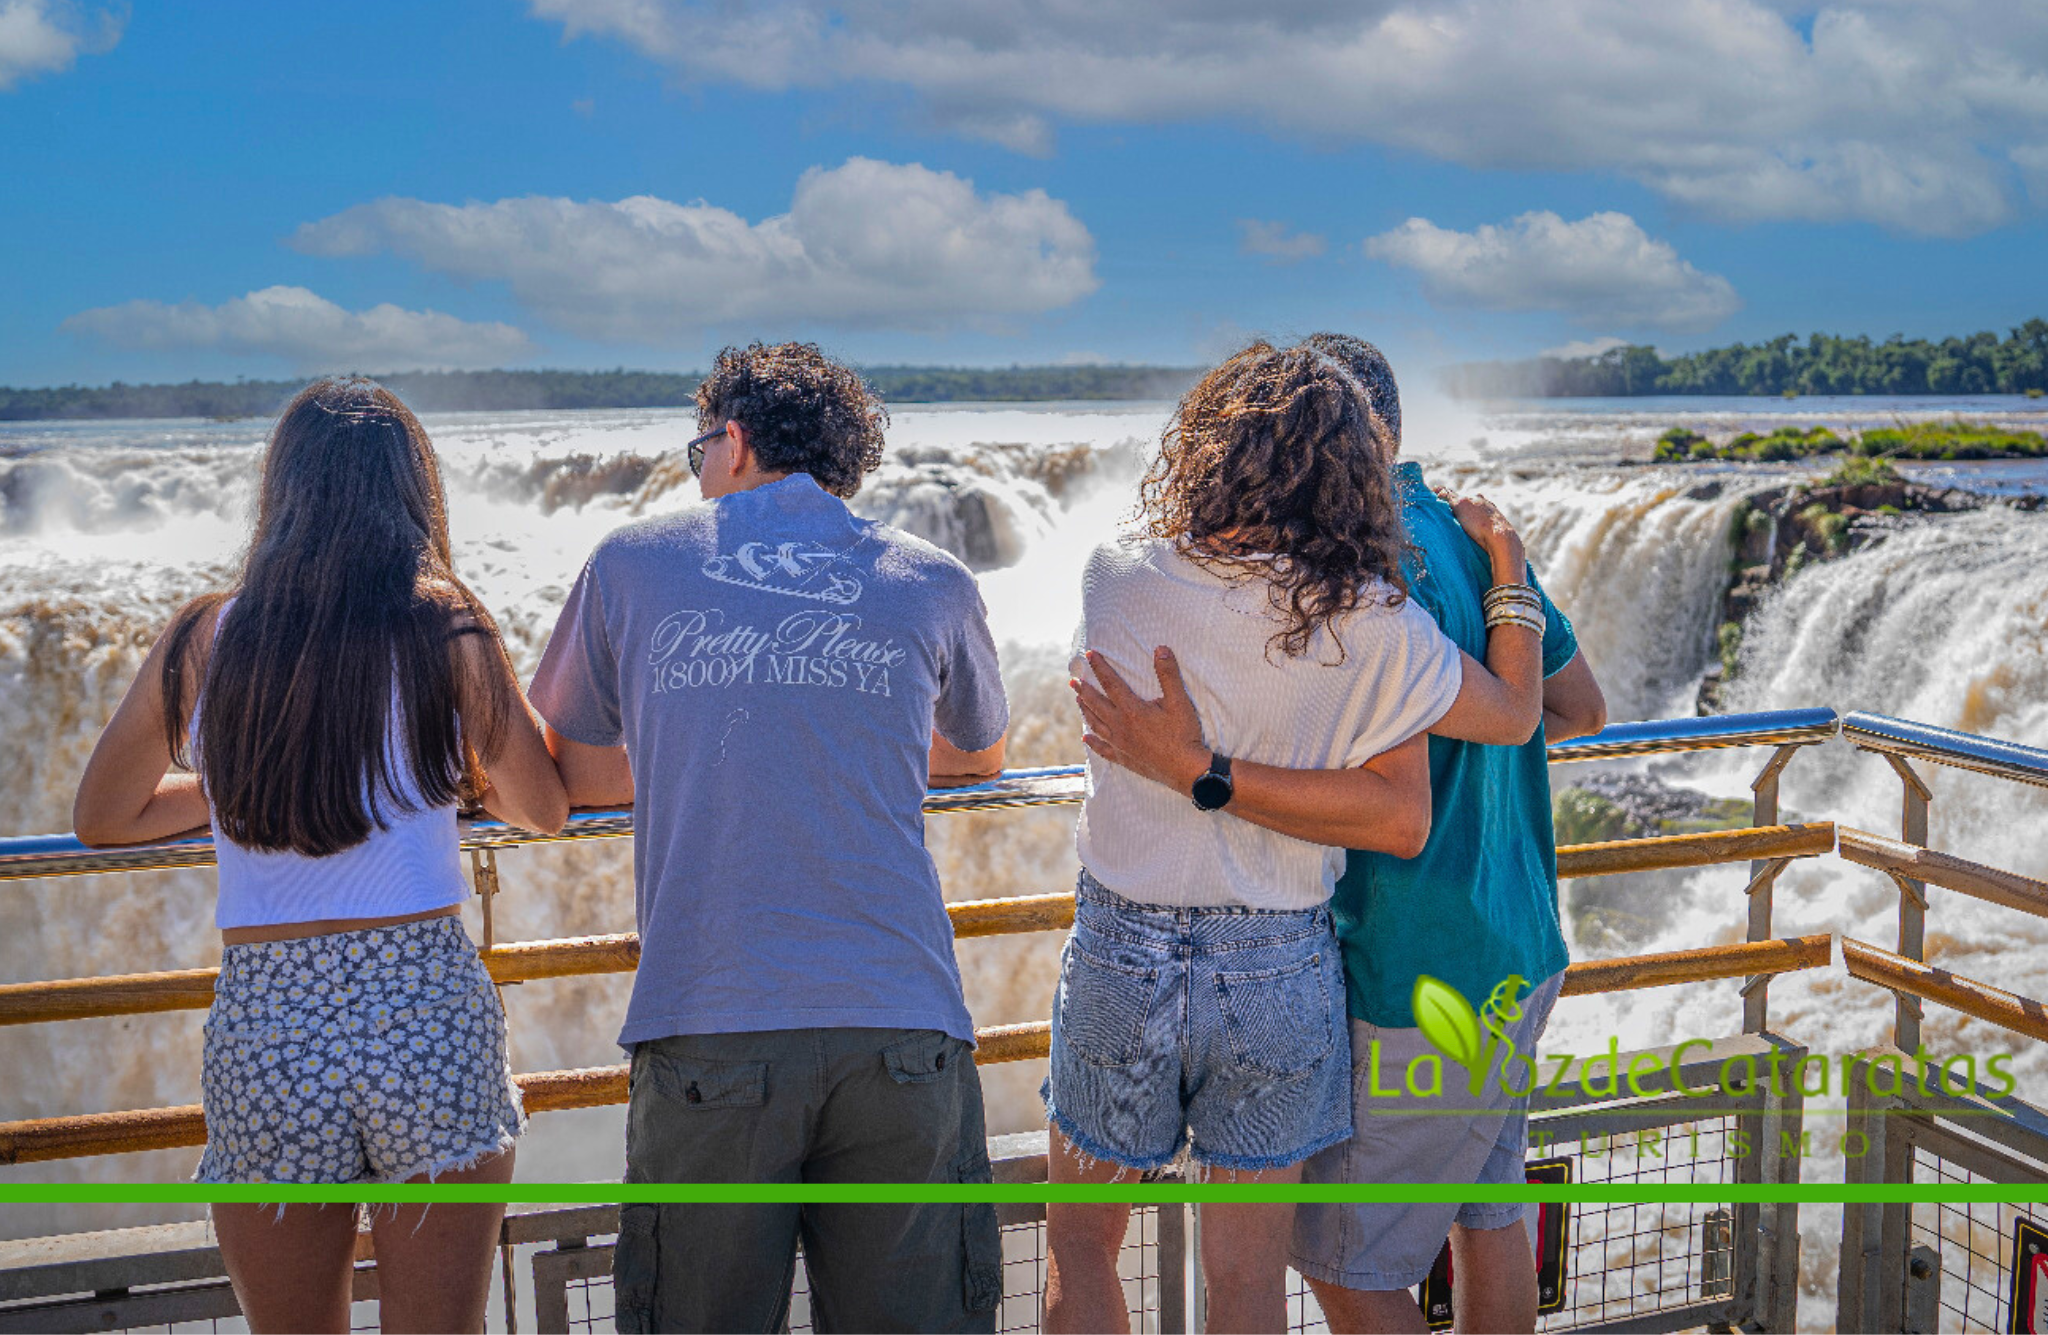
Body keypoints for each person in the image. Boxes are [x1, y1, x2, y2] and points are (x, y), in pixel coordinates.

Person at [1045, 342, 1553, 1335]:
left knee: (1078, 1245)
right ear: (1355, 469)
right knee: (1245, 1280)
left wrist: (1191, 766)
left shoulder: (1113, 575)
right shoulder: (1371, 619)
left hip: (1122, 947)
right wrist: (1509, 576)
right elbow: (1509, 715)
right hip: (1278, 964)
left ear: (1202, 448)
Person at [528, 341, 1011, 1333]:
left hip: (711, 1017)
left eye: (696, 446)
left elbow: (572, 770)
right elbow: (978, 752)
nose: (695, 469)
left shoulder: (630, 560)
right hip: (902, 1028)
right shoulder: (931, 576)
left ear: (734, 442)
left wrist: (702, 737)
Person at [72, 378, 568, 1334]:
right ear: (411, 491)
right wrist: (439, 774)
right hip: (423, 1001)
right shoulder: (447, 622)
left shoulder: (209, 635)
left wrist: (262, 774)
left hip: (270, 1018)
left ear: (282, 490)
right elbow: (541, 808)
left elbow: (106, 813)